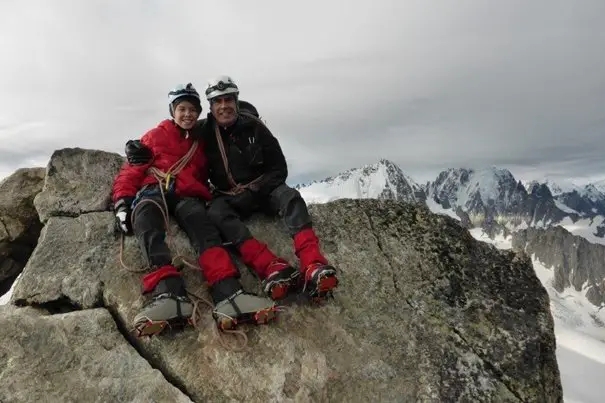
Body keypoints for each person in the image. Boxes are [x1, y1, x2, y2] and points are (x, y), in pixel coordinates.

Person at [112, 83, 276, 336]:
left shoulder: (200, 142)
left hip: (188, 196)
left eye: (192, 110)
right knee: (146, 218)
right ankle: (169, 293)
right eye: (182, 109)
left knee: (204, 229)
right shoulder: (155, 136)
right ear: (173, 111)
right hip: (153, 190)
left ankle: (229, 291)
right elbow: (133, 169)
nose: (187, 114)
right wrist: (123, 202)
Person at [200, 76, 339, 302]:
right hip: (231, 198)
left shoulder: (255, 127)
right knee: (216, 212)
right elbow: (177, 137)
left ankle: (312, 262)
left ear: (236, 101)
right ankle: (270, 264)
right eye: (218, 102)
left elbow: (278, 168)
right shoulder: (204, 133)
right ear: (211, 106)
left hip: (264, 192)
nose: (224, 106)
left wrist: (256, 191)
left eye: (228, 100)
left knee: (290, 197)